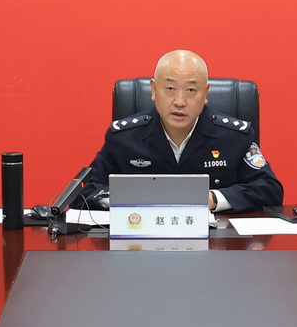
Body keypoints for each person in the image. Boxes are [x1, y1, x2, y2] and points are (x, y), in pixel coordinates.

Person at [69, 50, 283, 215]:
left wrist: (212, 199)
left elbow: (269, 190)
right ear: (154, 90)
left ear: (205, 93)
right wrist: (131, 198)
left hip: (217, 246)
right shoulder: (124, 138)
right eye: (170, 89)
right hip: (138, 243)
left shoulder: (235, 137)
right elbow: (86, 193)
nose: (180, 101)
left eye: (191, 90)